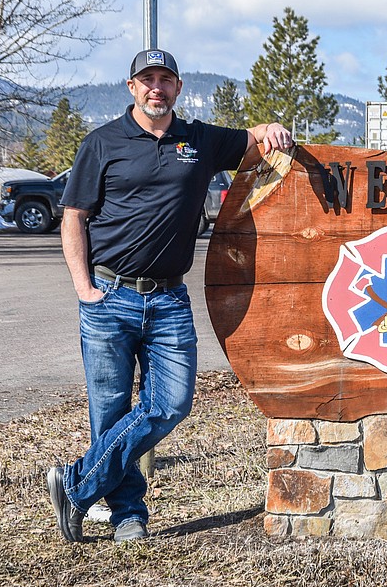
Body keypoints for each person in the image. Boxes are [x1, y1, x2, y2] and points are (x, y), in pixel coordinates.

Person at [47, 48, 294, 543]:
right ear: (131, 87)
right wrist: (83, 286)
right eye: (147, 79)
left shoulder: (199, 139)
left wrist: (270, 128)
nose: (156, 87)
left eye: (165, 79)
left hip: (168, 300)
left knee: (172, 402)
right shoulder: (102, 143)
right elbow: (74, 215)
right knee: (111, 410)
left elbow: (253, 141)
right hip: (109, 297)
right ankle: (127, 514)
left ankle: (75, 486)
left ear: (178, 88)